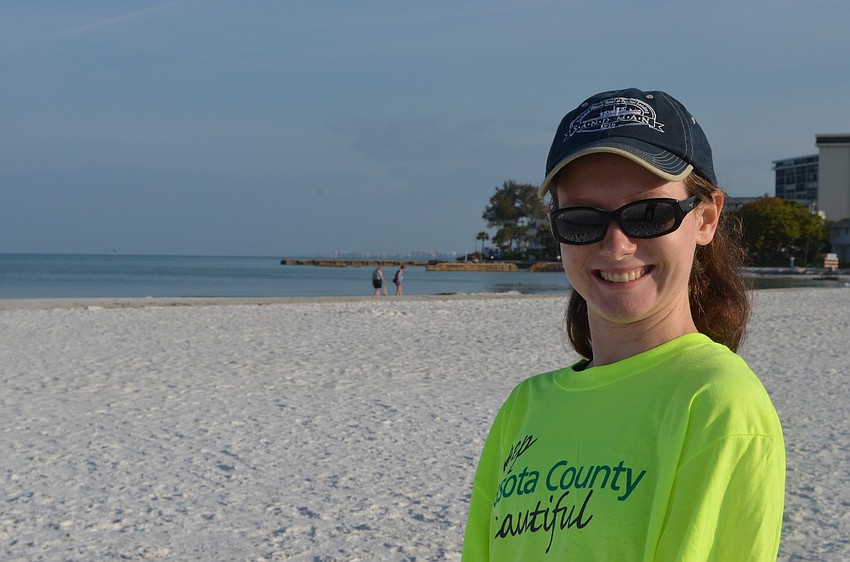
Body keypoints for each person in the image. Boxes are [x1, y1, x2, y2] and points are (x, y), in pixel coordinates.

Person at [462, 88, 785, 560]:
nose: (616, 246)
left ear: (707, 219)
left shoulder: (717, 403)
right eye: (581, 219)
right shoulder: (524, 407)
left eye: (648, 214)